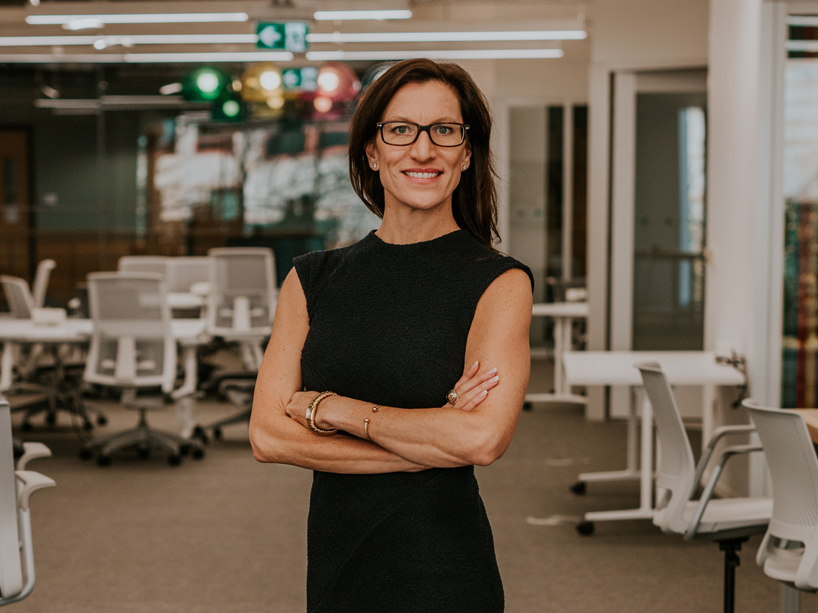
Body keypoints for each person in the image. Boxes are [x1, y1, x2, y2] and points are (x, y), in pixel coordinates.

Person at [249, 58, 534, 612]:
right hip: (339, 566)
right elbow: (269, 437)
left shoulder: (499, 281)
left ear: (466, 152)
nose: (422, 150)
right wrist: (431, 439)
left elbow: (480, 440)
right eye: (400, 130)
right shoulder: (311, 279)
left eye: (444, 131)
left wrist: (333, 410)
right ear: (372, 153)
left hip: (445, 572)